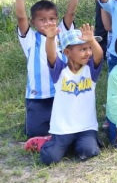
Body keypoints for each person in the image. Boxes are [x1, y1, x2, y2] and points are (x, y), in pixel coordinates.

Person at [13, 0, 82, 138]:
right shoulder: (30, 38)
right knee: (36, 133)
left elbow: (70, 13)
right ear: (33, 22)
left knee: (65, 129)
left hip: (62, 92)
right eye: (42, 20)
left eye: (52, 19)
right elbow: (21, 18)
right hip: (38, 96)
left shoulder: (62, 34)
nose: (48, 23)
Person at [25, 25, 104, 165]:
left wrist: (91, 40)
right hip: (62, 128)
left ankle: (73, 144)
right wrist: (50, 38)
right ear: (67, 52)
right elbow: (51, 54)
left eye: (89, 48)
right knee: (49, 158)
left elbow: (99, 56)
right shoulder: (60, 71)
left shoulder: (90, 71)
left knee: (89, 151)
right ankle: (48, 142)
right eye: (82, 49)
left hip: (86, 127)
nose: (88, 53)